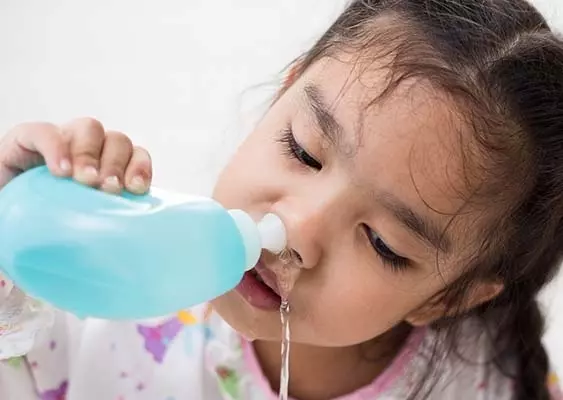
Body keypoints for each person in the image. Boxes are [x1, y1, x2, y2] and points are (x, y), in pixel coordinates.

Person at [1, 0, 563, 398]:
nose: (296, 230)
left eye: (382, 242)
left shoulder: (490, 383)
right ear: (284, 91)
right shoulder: (113, 290)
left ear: (445, 299)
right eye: (304, 152)